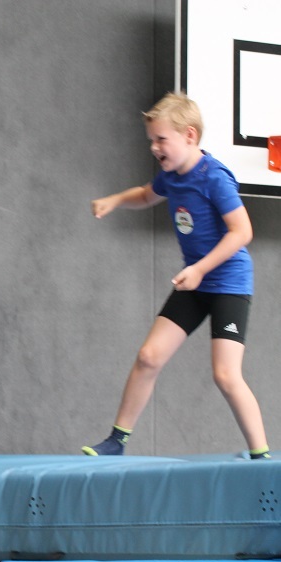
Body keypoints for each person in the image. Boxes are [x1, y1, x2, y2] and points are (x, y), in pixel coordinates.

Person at [83, 92, 270, 460]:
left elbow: (242, 232)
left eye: (161, 139)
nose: (154, 147)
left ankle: (261, 455)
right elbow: (145, 195)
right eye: (151, 140)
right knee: (149, 356)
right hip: (194, 281)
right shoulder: (171, 177)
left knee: (226, 374)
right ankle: (116, 441)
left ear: (189, 136)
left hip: (227, 283)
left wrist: (200, 268)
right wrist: (115, 200)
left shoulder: (213, 177)